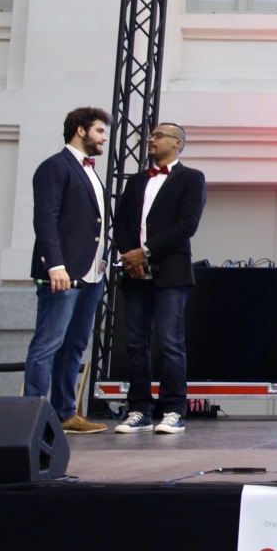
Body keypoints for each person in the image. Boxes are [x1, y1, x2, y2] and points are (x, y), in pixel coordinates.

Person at [112, 122, 206, 435]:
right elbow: (121, 222)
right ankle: (139, 408)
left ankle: (173, 409)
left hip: (171, 271)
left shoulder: (192, 178)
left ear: (177, 143)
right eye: (151, 135)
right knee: (135, 343)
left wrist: (146, 252)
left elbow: (186, 225)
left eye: (158, 135)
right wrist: (130, 256)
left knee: (170, 342)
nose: (151, 140)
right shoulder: (136, 180)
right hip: (134, 271)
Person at [26, 106, 113, 433]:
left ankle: (64, 413)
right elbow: (45, 219)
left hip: (91, 274)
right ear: (80, 130)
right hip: (62, 273)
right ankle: (33, 417)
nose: (103, 138)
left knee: (74, 345)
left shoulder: (90, 171)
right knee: (48, 343)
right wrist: (55, 265)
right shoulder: (54, 166)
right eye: (99, 130)